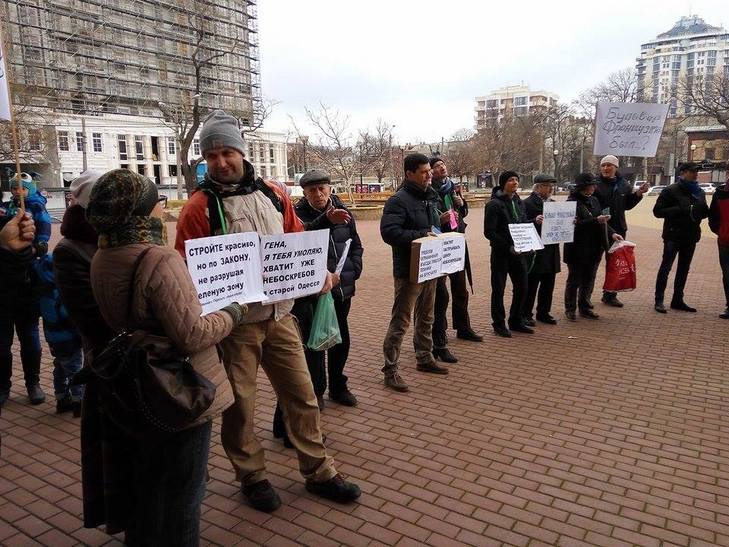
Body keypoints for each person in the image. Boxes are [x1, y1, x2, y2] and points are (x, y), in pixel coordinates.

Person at [176, 110, 360, 512]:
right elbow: (186, 267)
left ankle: (319, 470)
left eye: (227, 151)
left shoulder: (273, 193)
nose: (221, 162)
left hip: (280, 317)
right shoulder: (199, 207)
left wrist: (320, 274)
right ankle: (252, 477)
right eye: (212, 156)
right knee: (240, 405)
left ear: (241, 151)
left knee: (303, 395)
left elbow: (294, 241)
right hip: (236, 325)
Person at [86, 169, 245, 546]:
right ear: (143, 212)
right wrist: (233, 312)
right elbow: (192, 334)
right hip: (178, 389)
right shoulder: (158, 258)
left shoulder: (102, 254)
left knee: (145, 484)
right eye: (156, 202)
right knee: (182, 496)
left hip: (133, 383)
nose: (162, 208)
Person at [53, 169, 129, 534]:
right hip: (111, 367)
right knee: (118, 455)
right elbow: (93, 319)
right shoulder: (71, 250)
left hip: (140, 360)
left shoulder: (121, 236)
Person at [272, 169, 364, 446]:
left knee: (340, 341)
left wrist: (353, 270)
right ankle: (314, 397)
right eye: (312, 190)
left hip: (340, 290)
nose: (319, 194)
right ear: (304, 193)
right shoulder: (297, 217)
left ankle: (338, 385)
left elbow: (355, 245)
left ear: (330, 188)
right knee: (312, 350)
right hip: (310, 297)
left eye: (323, 188)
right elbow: (298, 248)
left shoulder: (344, 211)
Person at [380, 153, 449, 393]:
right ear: (409, 174)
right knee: (401, 320)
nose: (429, 175)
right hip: (408, 270)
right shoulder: (398, 200)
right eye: (423, 172)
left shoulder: (430, 197)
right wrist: (423, 234)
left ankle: (425, 357)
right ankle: (390, 369)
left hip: (430, 265)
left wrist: (443, 223)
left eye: (430, 171)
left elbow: (432, 228)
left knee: (427, 316)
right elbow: (389, 233)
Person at [0, 174, 49, 407]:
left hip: (27, 286)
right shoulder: (5, 211)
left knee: (30, 337)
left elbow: (42, 238)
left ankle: (33, 383)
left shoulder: (35, 209)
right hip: (2, 290)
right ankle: (3, 386)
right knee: (1, 342)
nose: (17, 192)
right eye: (13, 188)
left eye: (21, 188)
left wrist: (37, 247)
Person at [429, 156, 482, 366]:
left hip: (457, 242)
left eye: (443, 165)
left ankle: (463, 327)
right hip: (440, 244)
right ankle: (438, 340)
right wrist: (438, 220)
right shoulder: (430, 192)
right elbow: (429, 218)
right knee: (440, 295)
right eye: (437, 167)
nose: (442, 168)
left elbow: (462, 213)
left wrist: (462, 204)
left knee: (460, 287)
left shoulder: (452, 188)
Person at [563, 173, 622, 321]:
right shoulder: (571, 202)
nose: (595, 187)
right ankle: (570, 308)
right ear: (583, 187)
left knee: (589, 279)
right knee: (574, 280)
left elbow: (602, 222)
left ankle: (585, 306)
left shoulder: (594, 200)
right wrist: (595, 220)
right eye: (592, 185)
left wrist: (612, 233)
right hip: (577, 247)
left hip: (594, 247)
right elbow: (572, 226)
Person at [653, 162, 709, 313]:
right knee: (666, 267)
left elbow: (703, 212)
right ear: (683, 173)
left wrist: (703, 211)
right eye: (692, 171)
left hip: (691, 235)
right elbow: (657, 211)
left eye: (696, 172)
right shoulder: (670, 190)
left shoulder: (699, 192)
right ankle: (659, 300)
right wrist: (680, 209)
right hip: (673, 235)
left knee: (684, 268)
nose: (695, 174)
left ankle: (677, 299)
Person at [594, 155, 648, 307]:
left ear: (616, 167)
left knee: (615, 263)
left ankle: (610, 294)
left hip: (618, 228)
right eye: (603, 165)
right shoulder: (595, 184)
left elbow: (628, 205)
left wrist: (638, 194)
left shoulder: (624, 184)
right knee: (593, 262)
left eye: (609, 165)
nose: (605, 168)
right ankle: (585, 295)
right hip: (598, 227)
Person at [484, 171, 533, 337]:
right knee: (498, 289)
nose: (515, 182)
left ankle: (516, 320)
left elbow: (524, 223)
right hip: (501, 253)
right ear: (503, 183)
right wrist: (507, 247)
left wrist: (530, 241)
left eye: (517, 180)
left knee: (522, 286)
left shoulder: (519, 202)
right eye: (511, 180)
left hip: (519, 252)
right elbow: (489, 232)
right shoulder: (494, 204)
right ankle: (498, 323)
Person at [36, 253, 84, 414]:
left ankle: (61, 397)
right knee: (75, 370)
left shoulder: (44, 292)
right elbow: (68, 317)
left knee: (60, 367)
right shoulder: (59, 293)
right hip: (69, 338)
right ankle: (79, 402)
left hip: (54, 340)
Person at [0, 212, 38, 407]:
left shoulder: (16, 219)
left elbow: (36, 248)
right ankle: (3, 386)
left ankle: (33, 384)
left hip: (25, 296)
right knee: (2, 348)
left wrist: (28, 250)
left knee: (31, 342)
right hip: (2, 300)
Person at [523, 175, 560, 325]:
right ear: (537, 187)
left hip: (551, 249)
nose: (551, 188)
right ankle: (526, 313)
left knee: (548, 284)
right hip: (536, 251)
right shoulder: (527, 203)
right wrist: (534, 221)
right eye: (546, 185)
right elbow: (521, 223)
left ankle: (544, 312)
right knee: (532, 285)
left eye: (551, 185)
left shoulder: (553, 204)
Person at [709, 176, 729, 319]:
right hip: (725, 241)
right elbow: (713, 217)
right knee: (727, 275)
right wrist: (721, 231)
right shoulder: (720, 193)